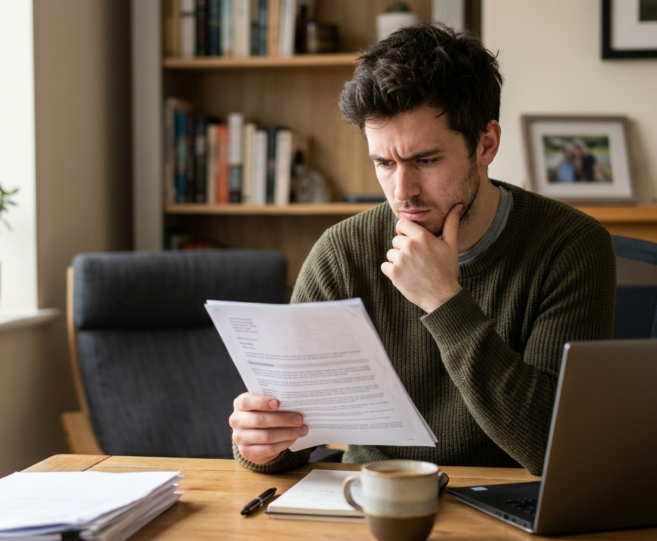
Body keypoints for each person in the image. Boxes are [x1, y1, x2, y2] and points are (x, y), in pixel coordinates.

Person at [228, 24, 616, 475]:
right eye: (384, 163)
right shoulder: (343, 252)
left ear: (486, 143)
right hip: (374, 499)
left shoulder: (572, 247)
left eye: (425, 161)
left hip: (510, 503)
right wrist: (262, 443)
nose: (403, 190)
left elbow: (555, 451)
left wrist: (443, 299)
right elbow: (289, 441)